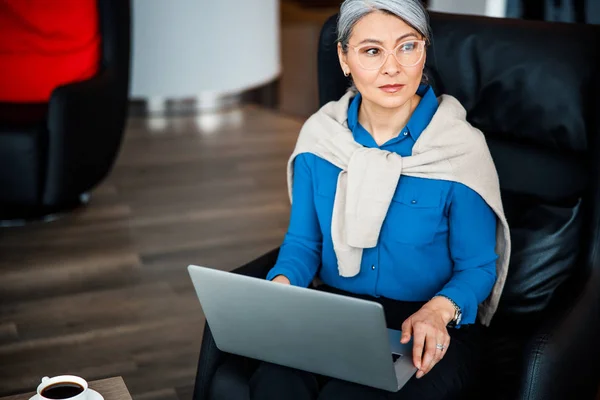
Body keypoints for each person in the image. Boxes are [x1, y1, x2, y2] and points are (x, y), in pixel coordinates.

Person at [212, 0, 511, 398]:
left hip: (422, 321)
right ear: (344, 58)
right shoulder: (321, 141)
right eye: (372, 51)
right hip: (337, 312)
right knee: (274, 384)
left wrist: (439, 311)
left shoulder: (458, 150)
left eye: (407, 46)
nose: (392, 67)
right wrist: (281, 288)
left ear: (424, 50)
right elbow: (304, 244)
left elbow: (477, 268)